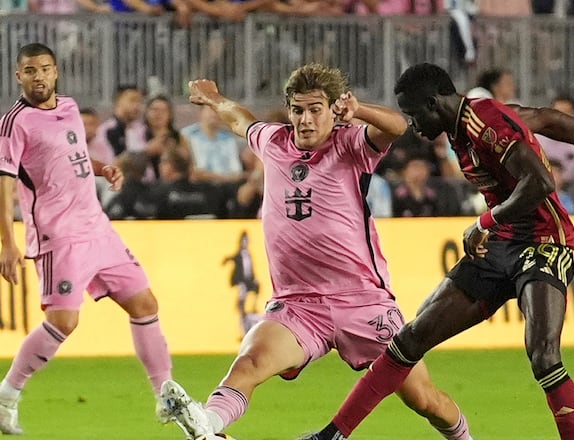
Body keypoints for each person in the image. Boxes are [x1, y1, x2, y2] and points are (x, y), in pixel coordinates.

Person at [301, 62, 574, 440]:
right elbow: (545, 118)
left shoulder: (484, 121)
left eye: (414, 113)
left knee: (544, 355)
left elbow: (539, 180)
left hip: (545, 242)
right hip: (500, 244)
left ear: (435, 102)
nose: (414, 125)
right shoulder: (467, 124)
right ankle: (332, 436)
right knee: (409, 339)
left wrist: (485, 222)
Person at [157, 63, 476, 440]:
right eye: (297, 110)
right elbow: (241, 121)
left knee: (424, 399)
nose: (305, 120)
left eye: (314, 109)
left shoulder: (351, 144)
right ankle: (206, 426)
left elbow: (396, 126)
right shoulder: (274, 142)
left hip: (362, 301)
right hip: (299, 304)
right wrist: (215, 100)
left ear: (332, 110)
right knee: (249, 363)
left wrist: (357, 111)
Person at [0, 43, 173, 435]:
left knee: (145, 303)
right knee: (63, 321)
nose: (39, 76)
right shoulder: (15, 123)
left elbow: (69, 158)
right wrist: (7, 242)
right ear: (19, 76)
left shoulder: (70, 107)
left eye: (45, 68)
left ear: (56, 71)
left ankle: (166, 395)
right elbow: (5, 182)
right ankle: (6, 395)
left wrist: (102, 168)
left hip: (96, 227)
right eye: (30, 70)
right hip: (57, 235)